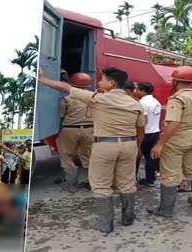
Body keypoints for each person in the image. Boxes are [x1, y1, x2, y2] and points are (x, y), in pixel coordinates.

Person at [38, 67, 145, 233]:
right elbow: (140, 129)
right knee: (126, 182)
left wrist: (42, 79)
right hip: (129, 144)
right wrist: (137, 147)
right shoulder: (135, 103)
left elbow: (66, 88)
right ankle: (128, 218)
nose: (99, 82)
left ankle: (105, 223)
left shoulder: (98, 98)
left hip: (105, 145)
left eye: (102, 79)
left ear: (112, 83)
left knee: (101, 184)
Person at [147, 66, 192, 218]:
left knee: (169, 174)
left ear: (176, 81)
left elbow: (173, 124)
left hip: (176, 141)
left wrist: (160, 143)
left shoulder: (177, 99)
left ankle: (165, 210)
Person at [57, 72, 94, 193]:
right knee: (88, 156)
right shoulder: (93, 97)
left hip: (70, 129)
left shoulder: (66, 99)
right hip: (90, 130)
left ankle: (72, 185)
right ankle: (91, 183)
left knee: (67, 156)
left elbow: (62, 115)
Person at [135, 82, 161, 187]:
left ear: (143, 91)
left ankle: (138, 178)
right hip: (155, 132)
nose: (136, 92)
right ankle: (150, 178)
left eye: (138, 90)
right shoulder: (156, 101)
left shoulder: (143, 103)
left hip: (146, 133)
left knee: (139, 155)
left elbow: (143, 120)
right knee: (152, 157)